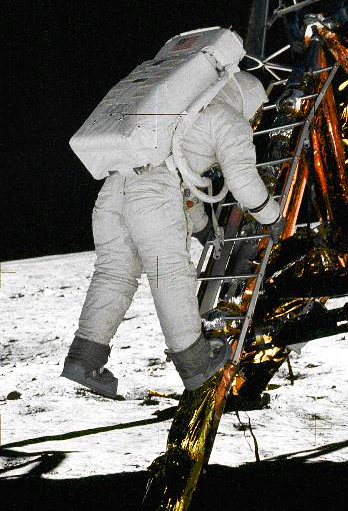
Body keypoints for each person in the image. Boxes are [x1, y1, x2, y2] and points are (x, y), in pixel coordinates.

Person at [62, 71, 283, 398]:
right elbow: (242, 179)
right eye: (258, 112)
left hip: (113, 192)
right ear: (247, 98)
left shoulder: (184, 111)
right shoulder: (227, 118)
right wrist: (272, 216)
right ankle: (195, 364)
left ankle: (84, 360)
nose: (256, 119)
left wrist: (203, 227)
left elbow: (184, 182)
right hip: (152, 196)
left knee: (113, 275)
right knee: (170, 274)